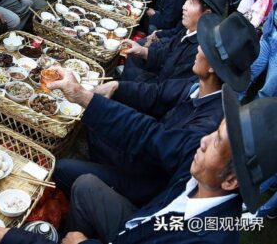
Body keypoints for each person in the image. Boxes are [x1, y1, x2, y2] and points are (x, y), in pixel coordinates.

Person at [0, 81, 277, 244]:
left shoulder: (204, 234)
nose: (204, 140)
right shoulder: (203, 168)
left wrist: (2, 236)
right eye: (215, 132)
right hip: (137, 223)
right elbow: (147, 133)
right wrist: (82, 95)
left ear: (233, 181)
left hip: (132, 226)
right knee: (85, 185)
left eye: (216, 141)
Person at [65, 11, 259, 207]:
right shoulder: (196, 85)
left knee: (64, 168)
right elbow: (156, 94)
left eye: (204, 47)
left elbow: (154, 138)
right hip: (142, 152)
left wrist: (86, 98)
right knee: (95, 125)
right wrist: (116, 86)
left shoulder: (208, 124)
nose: (198, 48)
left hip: (143, 178)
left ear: (212, 68)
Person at [122, 0, 230, 84]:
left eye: (191, 1)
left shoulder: (199, 52)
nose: (184, 6)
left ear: (207, 13)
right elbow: (166, 54)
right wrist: (142, 51)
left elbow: (167, 89)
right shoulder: (188, 31)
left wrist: (121, 87)